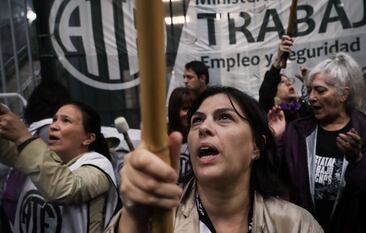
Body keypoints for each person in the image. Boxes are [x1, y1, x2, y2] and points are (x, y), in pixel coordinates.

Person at [106, 86, 323, 233]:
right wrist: (133, 220)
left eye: (224, 117)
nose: (204, 128)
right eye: (197, 120)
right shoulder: (158, 220)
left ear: (256, 147)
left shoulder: (296, 225)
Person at [271, 53, 366, 232]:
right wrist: (277, 140)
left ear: (343, 94)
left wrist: (359, 160)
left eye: (320, 91)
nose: (311, 97)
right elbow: (273, 175)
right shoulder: (297, 131)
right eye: (309, 90)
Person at [0, 102, 118, 233]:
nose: (53, 126)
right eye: (54, 119)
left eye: (65, 120)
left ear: (88, 138)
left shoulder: (99, 165)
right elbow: (7, 151)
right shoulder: (42, 158)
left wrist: (23, 137)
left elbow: (63, 189)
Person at [259, 35, 311, 123]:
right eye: (282, 82)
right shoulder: (271, 112)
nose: (289, 83)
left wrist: (310, 84)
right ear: (274, 92)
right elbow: (267, 88)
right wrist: (279, 58)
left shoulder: (303, 109)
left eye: (289, 81)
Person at [167, 87, 197, 181]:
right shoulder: (165, 141)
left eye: (193, 109)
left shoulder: (201, 138)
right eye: (185, 108)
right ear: (174, 111)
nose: (190, 114)